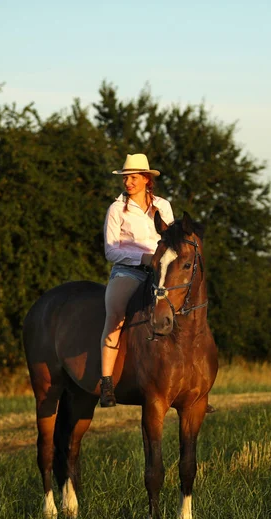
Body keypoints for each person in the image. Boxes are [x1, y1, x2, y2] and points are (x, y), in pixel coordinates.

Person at [99, 153, 174, 407]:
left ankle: (189, 381)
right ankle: (107, 384)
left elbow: (172, 240)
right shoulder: (116, 209)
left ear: (145, 179)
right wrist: (142, 257)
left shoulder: (163, 206)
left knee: (184, 308)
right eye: (125, 178)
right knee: (116, 314)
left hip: (159, 271)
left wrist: (161, 260)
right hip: (128, 271)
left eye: (132, 177)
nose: (128, 182)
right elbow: (111, 250)